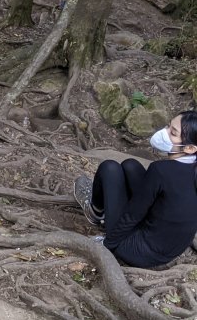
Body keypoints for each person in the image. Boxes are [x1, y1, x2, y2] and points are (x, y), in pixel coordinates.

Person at [74, 111, 197, 268]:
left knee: (110, 168)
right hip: (168, 251)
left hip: (137, 250)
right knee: (130, 165)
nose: (164, 133)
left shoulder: (161, 170)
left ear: (190, 148)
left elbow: (133, 214)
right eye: (168, 126)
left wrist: (108, 244)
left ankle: (95, 212)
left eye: (173, 133)